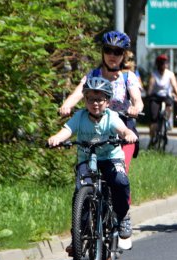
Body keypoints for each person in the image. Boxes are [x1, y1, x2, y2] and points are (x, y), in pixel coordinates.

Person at [48, 76, 138, 241]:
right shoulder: (80, 117)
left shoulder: (111, 117)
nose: (95, 103)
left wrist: (128, 134)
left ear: (108, 102)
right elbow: (67, 130)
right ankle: (80, 235)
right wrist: (57, 138)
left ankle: (122, 216)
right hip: (87, 159)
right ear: (85, 101)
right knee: (81, 192)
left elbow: (123, 129)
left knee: (120, 182)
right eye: (90, 99)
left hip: (111, 158)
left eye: (99, 99)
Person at [59, 31, 144, 173]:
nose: (112, 55)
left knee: (120, 172)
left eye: (117, 52)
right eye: (108, 50)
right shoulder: (93, 75)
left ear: (123, 55)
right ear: (102, 52)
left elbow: (137, 99)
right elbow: (78, 93)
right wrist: (66, 106)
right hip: (97, 127)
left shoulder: (127, 77)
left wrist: (135, 108)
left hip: (123, 128)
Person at [147, 54, 177, 144]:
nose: (163, 65)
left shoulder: (170, 74)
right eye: (161, 63)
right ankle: (152, 138)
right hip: (156, 96)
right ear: (158, 64)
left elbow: (175, 86)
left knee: (169, 106)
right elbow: (150, 87)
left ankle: (167, 121)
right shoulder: (154, 74)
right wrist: (148, 94)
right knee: (154, 119)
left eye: (165, 63)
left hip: (166, 96)